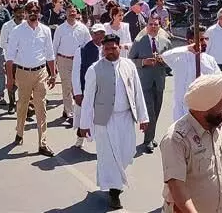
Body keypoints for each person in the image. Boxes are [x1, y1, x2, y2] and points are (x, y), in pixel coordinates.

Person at [78, 34, 149, 210]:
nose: (109, 51)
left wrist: (143, 117)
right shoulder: (94, 69)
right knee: (108, 157)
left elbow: (137, 92)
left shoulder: (129, 65)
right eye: (106, 48)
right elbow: (88, 99)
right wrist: (84, 124)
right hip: (104, 120)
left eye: (113, 48)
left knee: (127, 152)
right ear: (103, 49)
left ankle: (116, 182)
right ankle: (114, 192)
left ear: (119, 47)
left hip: (126, 117)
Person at [160, 73, 222, 213]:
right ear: (206, 107)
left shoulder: (220, 126)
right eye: (221, 102)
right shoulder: (176, 139)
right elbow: (177, 188)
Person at [5, 1, 56, 157]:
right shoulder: (17, 31)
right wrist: (10, 79)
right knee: (22, 105)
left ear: (39, 12)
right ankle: (19, 132)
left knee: (41, 107)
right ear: (25, 13)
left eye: (36, 10)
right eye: (30, 11)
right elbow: (9, 57)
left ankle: (43, 143)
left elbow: (50, 54)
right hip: (23, 73)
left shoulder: (45, 30)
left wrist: (53, 74)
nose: (33, 13)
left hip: (41, 72)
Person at [128, 17, 171, 153]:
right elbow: (130, 60)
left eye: (156, 25)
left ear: (159, 27)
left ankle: (151, 137)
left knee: (156, 110)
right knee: (150, 113)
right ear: (146, 26)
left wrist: (163, 61)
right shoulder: (139, 42)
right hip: (145, 83)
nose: (153, 27)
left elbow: (171, 62)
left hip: (159, 82)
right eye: (150, 24)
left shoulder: (166, 41)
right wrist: (143, 62)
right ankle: (148, 141)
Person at [161, 25, 220, 121]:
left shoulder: (210, 60)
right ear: (190, 41)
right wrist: (187, 48)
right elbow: (165, 56)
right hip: (182, 111)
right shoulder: (179, 58)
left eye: (206, 39)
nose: (205, 42)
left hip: (204, 110)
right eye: (201, 39)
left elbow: (218, 82)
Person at [53, 3, 92, 126]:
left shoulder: (83, 28)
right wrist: (52, 65)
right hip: (63, 60)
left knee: (77, 86)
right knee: (67, 86)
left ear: (77, 13)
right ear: (66, 13)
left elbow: (89, 44)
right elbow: (54, 46)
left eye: (74, 11)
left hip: (78, 61)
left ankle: (69, 109)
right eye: (69, 11)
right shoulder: (60, 29)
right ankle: (70, 113)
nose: (72, 13)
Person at [72, 23, 106, 148]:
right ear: (92, 35)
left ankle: (102, 142)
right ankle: (80, 137)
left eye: (102, 33)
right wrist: (77, 93)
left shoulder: (108, 49)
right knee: (84, 115)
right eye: (97, 33)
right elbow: (76, 73)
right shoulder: (82, 50)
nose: (100, 36)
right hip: (87, 88)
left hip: (103, 90)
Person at [0, 4, 26, 113]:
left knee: (24, 83)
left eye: (22, 13)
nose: (21, 15)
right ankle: (11, 102)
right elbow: (2, 43)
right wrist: (13, 49)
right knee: (11, 82)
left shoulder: (27, 25)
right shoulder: (7, 26)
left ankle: (25, 105)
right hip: (11, 60)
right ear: (14, 14)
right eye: (18, 13)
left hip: (24, 60)